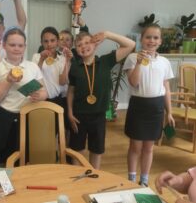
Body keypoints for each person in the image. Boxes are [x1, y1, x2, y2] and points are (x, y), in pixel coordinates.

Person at [67, 31, 135, 169]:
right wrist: (69, 112)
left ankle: (95, 175)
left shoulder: (105, 61)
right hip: (78, 115)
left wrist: (108, 35)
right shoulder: (74, 66)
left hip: (99, 115)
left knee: (97, 149)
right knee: (77, 148)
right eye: (79, 45)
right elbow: (71, 91)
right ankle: (75, 174)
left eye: (87, 42)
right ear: (76, 49)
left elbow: (131, 45)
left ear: (95, 44)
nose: (83, 46)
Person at [0, 27, 48, 164]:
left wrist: (40, 96)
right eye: (12, 45)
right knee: (2, 161)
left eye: (20, 45)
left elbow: (44, 92)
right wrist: (8, 81)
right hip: (3, 119)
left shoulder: (32, 67)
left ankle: (23, 185)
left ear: (25, 47)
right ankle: (1, 186)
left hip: (29, 117)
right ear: (4, 45)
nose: (16, 48)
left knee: (26, 159)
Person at [123, 24, 175, 186]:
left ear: (160, 41)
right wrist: (139, 63)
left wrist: (170, 112)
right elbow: (133, 82)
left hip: (156, 107)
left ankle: (144, 180)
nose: (151, 41)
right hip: (139, 106)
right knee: (135, 146)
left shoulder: (164, 61)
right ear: (141, 39)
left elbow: (166, 87)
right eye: (148, 37)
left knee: (149, 147)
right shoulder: (132, 58)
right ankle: (131, 179)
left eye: (155, 37)